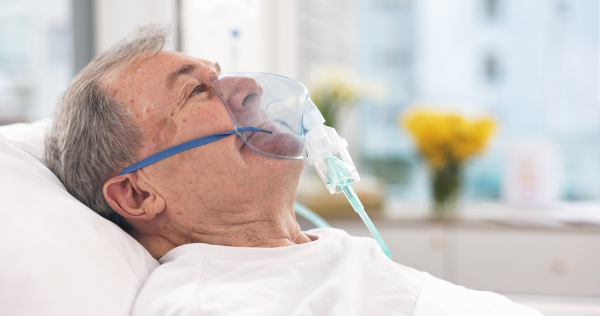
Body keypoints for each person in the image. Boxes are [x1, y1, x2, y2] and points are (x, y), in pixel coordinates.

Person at [45, 26, 541, 316]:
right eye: (196, 91)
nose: (249, 88)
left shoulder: (318, 254)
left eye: (219, 76)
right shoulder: (208, 303)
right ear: (136, 194)